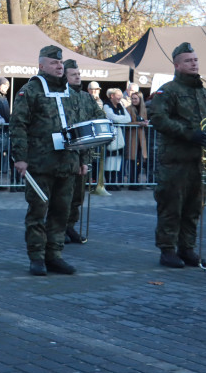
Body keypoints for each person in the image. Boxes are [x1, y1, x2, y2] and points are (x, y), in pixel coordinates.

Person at [10, 45, 88, 276]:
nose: (59, 66)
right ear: (41, 65)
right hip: (40, 164)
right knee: (38, 211)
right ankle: (37, 257)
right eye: (54, 63)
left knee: (61, 212)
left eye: (60, 62)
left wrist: (83, 158)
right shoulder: (30, 90)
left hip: (67, 163)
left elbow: (79, 127)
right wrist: (20, 158)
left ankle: (54, 255)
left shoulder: (71, 94)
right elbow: (18, 125)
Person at [150, 42, 206, 267]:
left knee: (193, 208)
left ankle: (187, 248)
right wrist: (187, 134)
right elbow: (158, 118)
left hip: (199, 161)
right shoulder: (168, 90)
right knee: (171, 206)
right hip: (175, 160)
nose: (194, 63)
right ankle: (167, 250)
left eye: (195, 60)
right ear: (177, 65)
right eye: (188, 61)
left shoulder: (204, 93)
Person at [63, 59, 103, 244]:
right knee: (64, 194)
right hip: (65, 153)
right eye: (73, 74)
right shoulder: (61, 95)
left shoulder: (87, 98)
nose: (78, 77)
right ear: (65, 76)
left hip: (83, 152)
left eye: (79, 74)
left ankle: (70, 226)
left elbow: (100, 116)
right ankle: (59, 227)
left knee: (78, 194)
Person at [102, 88, 132, 188]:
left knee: (117, 160)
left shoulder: (120, 106)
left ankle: (114, 182)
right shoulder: (106, 106)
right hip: (110, 135)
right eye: (118, 95)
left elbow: (128, 119)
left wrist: (118, 120)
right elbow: (112, 118)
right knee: (109, 161)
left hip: (118, 135)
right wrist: (120, 119)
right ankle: (109, 183)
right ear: (112, 96)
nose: (121, 97)